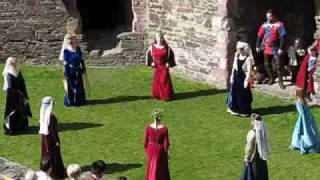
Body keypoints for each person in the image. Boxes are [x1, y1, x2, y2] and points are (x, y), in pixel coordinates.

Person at [290, 70, 320, 154]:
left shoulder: (300, 102)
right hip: (307, 118)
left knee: (304, 133)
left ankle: (305, 144)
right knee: (308, 132)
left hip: (304, 119)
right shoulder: (302, 101)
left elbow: (302, 113)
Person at [256, 9, 287, 89]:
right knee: (267, 65)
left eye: (269, 16)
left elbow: (282, 37)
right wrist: (257, 45)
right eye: (267, 16)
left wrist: (281, 48)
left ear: (273, 16)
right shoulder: (264, 25)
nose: (268, 18)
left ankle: (280, 81)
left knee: (278, 65)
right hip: (266, 48)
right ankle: (271, 78)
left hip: (276, 48)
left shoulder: (279, 24)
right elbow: (259, 35)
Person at [2, 57, 32, 135]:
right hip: (12, 96)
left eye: (16, 62)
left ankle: (21, 127)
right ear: (11, 64)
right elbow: (10, 86)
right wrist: (16, 92)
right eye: (13, 62)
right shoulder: (9, 73)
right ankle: (12, 128)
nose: (15, 63)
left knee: (21, 110)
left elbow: (22, 83)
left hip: (20, 95)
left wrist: (24, 93)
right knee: (12, 111)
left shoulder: (18, 71)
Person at [39, 96, 67, 179]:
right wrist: (56, 141)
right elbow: (52, 131)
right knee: (54, 155)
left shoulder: (43, 114)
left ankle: (47, 170)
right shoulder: (50, 117)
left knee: (46, 154)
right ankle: (56, 173)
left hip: (45, 139)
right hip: (51, 139)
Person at [59, 33, 88, 106]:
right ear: (71, 40)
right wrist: (67, 73)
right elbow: (66, 63)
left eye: (75, 39)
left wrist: (83, 68)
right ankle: (70, 102)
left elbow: (81, 59)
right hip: (70, 71)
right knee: (70, 87)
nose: (76, 40)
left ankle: (80, 101)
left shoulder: (78, 49)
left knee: (79, 86)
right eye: (74, 39)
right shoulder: (66, 51)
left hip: (78, 70)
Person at [146, 31, 176, 101]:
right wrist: (151, 62)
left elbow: (171, 54)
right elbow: (148, 54)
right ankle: (158, 95)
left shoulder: (166, 47)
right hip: (157, 66)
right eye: (157, 37)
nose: (159, 39)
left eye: (160, 37)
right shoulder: (152, 47)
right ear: (155, 38)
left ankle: (166, 96)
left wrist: (168, 62)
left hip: (164, 66)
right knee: (157, 81)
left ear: (162, 38)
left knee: (164, 81)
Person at [227, 41, 253, 116]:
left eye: (241, 49)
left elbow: (249, 70)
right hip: (236, 76)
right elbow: (234, 67)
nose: (239, 51)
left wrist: (246, 80)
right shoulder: (237, 55)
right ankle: (234, 109)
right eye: (238, 49)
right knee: (235, 93)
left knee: (243, 94)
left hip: (243, 77)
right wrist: (232, 76)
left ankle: (243, 111)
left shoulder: (248, 59)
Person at [240, 113, 270, 180]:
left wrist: (246, 158)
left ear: (253, 122)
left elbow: (249, 148)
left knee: (251, 176)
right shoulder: (263, 131)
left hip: (254, 159)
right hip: (262, 157)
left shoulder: (252, 132)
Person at [144, 108, 170, 180]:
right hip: (160, 150)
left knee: (151, 166)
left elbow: (145, 142)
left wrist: (147, 149)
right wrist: (168, 153)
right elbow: (166, 144)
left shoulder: (148, 128)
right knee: (160, 168)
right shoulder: (164, 129)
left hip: (150, 149)